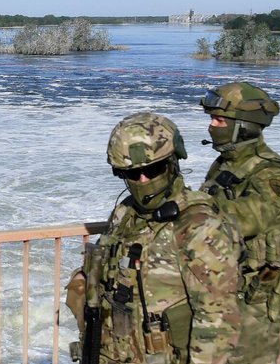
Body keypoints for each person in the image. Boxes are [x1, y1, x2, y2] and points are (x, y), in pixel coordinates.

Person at [66, 112, 241, 364]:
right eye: (131, 174)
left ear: (172, 162)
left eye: (152, 169)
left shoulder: (197, 224)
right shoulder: (126, 211)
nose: (143, 180)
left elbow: (218, 318)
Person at [199, 81, 280, 364]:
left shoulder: (270, 172)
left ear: (244, 125)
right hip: (223, 288)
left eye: (219, 119)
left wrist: (190, 208)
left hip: (253, 298)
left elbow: (246, 218)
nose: (212, 125)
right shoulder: (227, 162)